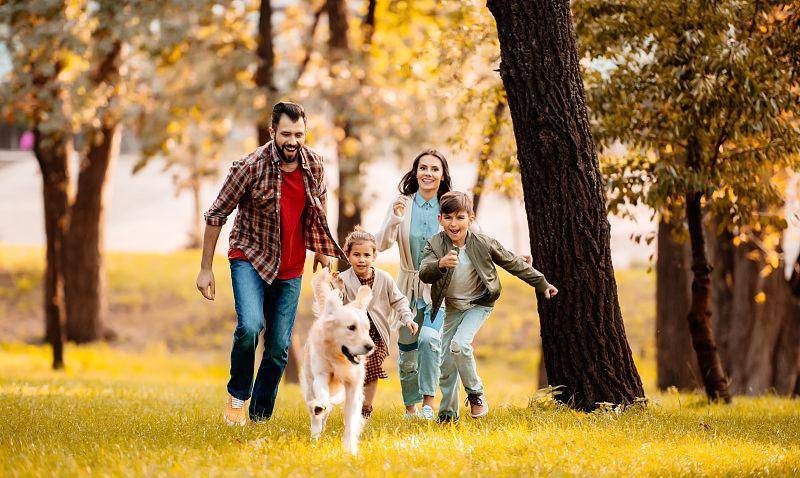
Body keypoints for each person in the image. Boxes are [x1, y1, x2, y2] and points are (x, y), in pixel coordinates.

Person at [196, 101, 345, 425]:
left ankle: (260, 417)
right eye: (286, 134)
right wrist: (206, 267)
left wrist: (321, 246)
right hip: (250, 256)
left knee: (278, 347)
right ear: (272, 132)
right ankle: (237, 396)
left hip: (290, 267)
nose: (292, 141)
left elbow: (321, 203)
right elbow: (216, 214)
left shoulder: (315, 165)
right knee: (250, 326)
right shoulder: (249, 166)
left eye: (299, 134)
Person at [419, 191, 558, 422]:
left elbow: (512, 262)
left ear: (470, 219)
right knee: (445, 364)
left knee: (460, 345)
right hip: (453, 307)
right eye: (448, 217)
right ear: (440, 219)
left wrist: (541, 282)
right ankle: (447, 414)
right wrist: (440, 264)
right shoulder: (434, 244)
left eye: (460, 217)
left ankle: (476, 394)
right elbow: (424, 271)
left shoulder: (482, 243)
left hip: (479, 304)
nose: (454, 224)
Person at [375, 149, 453, 420]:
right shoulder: (402, 204)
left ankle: (429, 406)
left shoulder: (449, 206)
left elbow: (473, 239)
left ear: (442, 176)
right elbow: (381, 244)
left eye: (434, 169)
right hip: (406, 286)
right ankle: (411, 408)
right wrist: (395, 218)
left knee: (431, 339)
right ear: (415, 171)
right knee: (407, 352)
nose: (428, 173)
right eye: (423, 168)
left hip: (439, 288)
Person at [334, 227, 419, 419]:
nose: (361, 259)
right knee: (353, 371)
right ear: (348, 256)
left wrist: (407, 318)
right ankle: (352, 404)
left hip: (378, 335)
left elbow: (399, 301)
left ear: (374, 256)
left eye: (366, 255)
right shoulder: (345, 279)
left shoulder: (384, 278)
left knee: (371, 370)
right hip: (353, 336)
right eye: (356, 254)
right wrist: (338, 290)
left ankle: (366, 409)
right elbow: (338, 308)